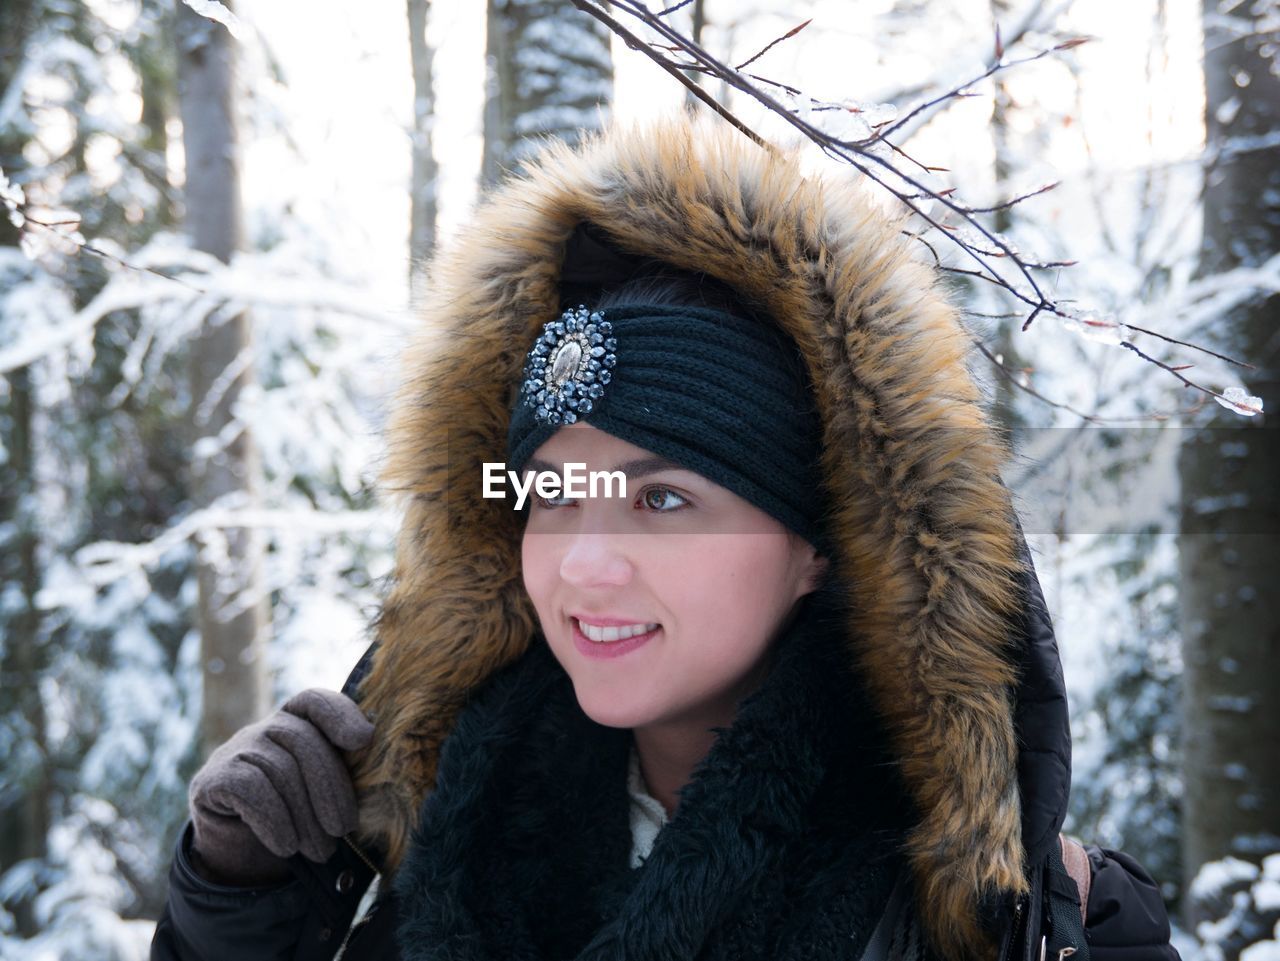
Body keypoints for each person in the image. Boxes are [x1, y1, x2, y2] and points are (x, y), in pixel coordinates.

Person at [151, 116, 1181, 961]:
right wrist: (241, 907)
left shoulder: (996, 919)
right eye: (551, 496)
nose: (583, 561)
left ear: (820, 543)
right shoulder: (449, 855)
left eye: (663, 501)